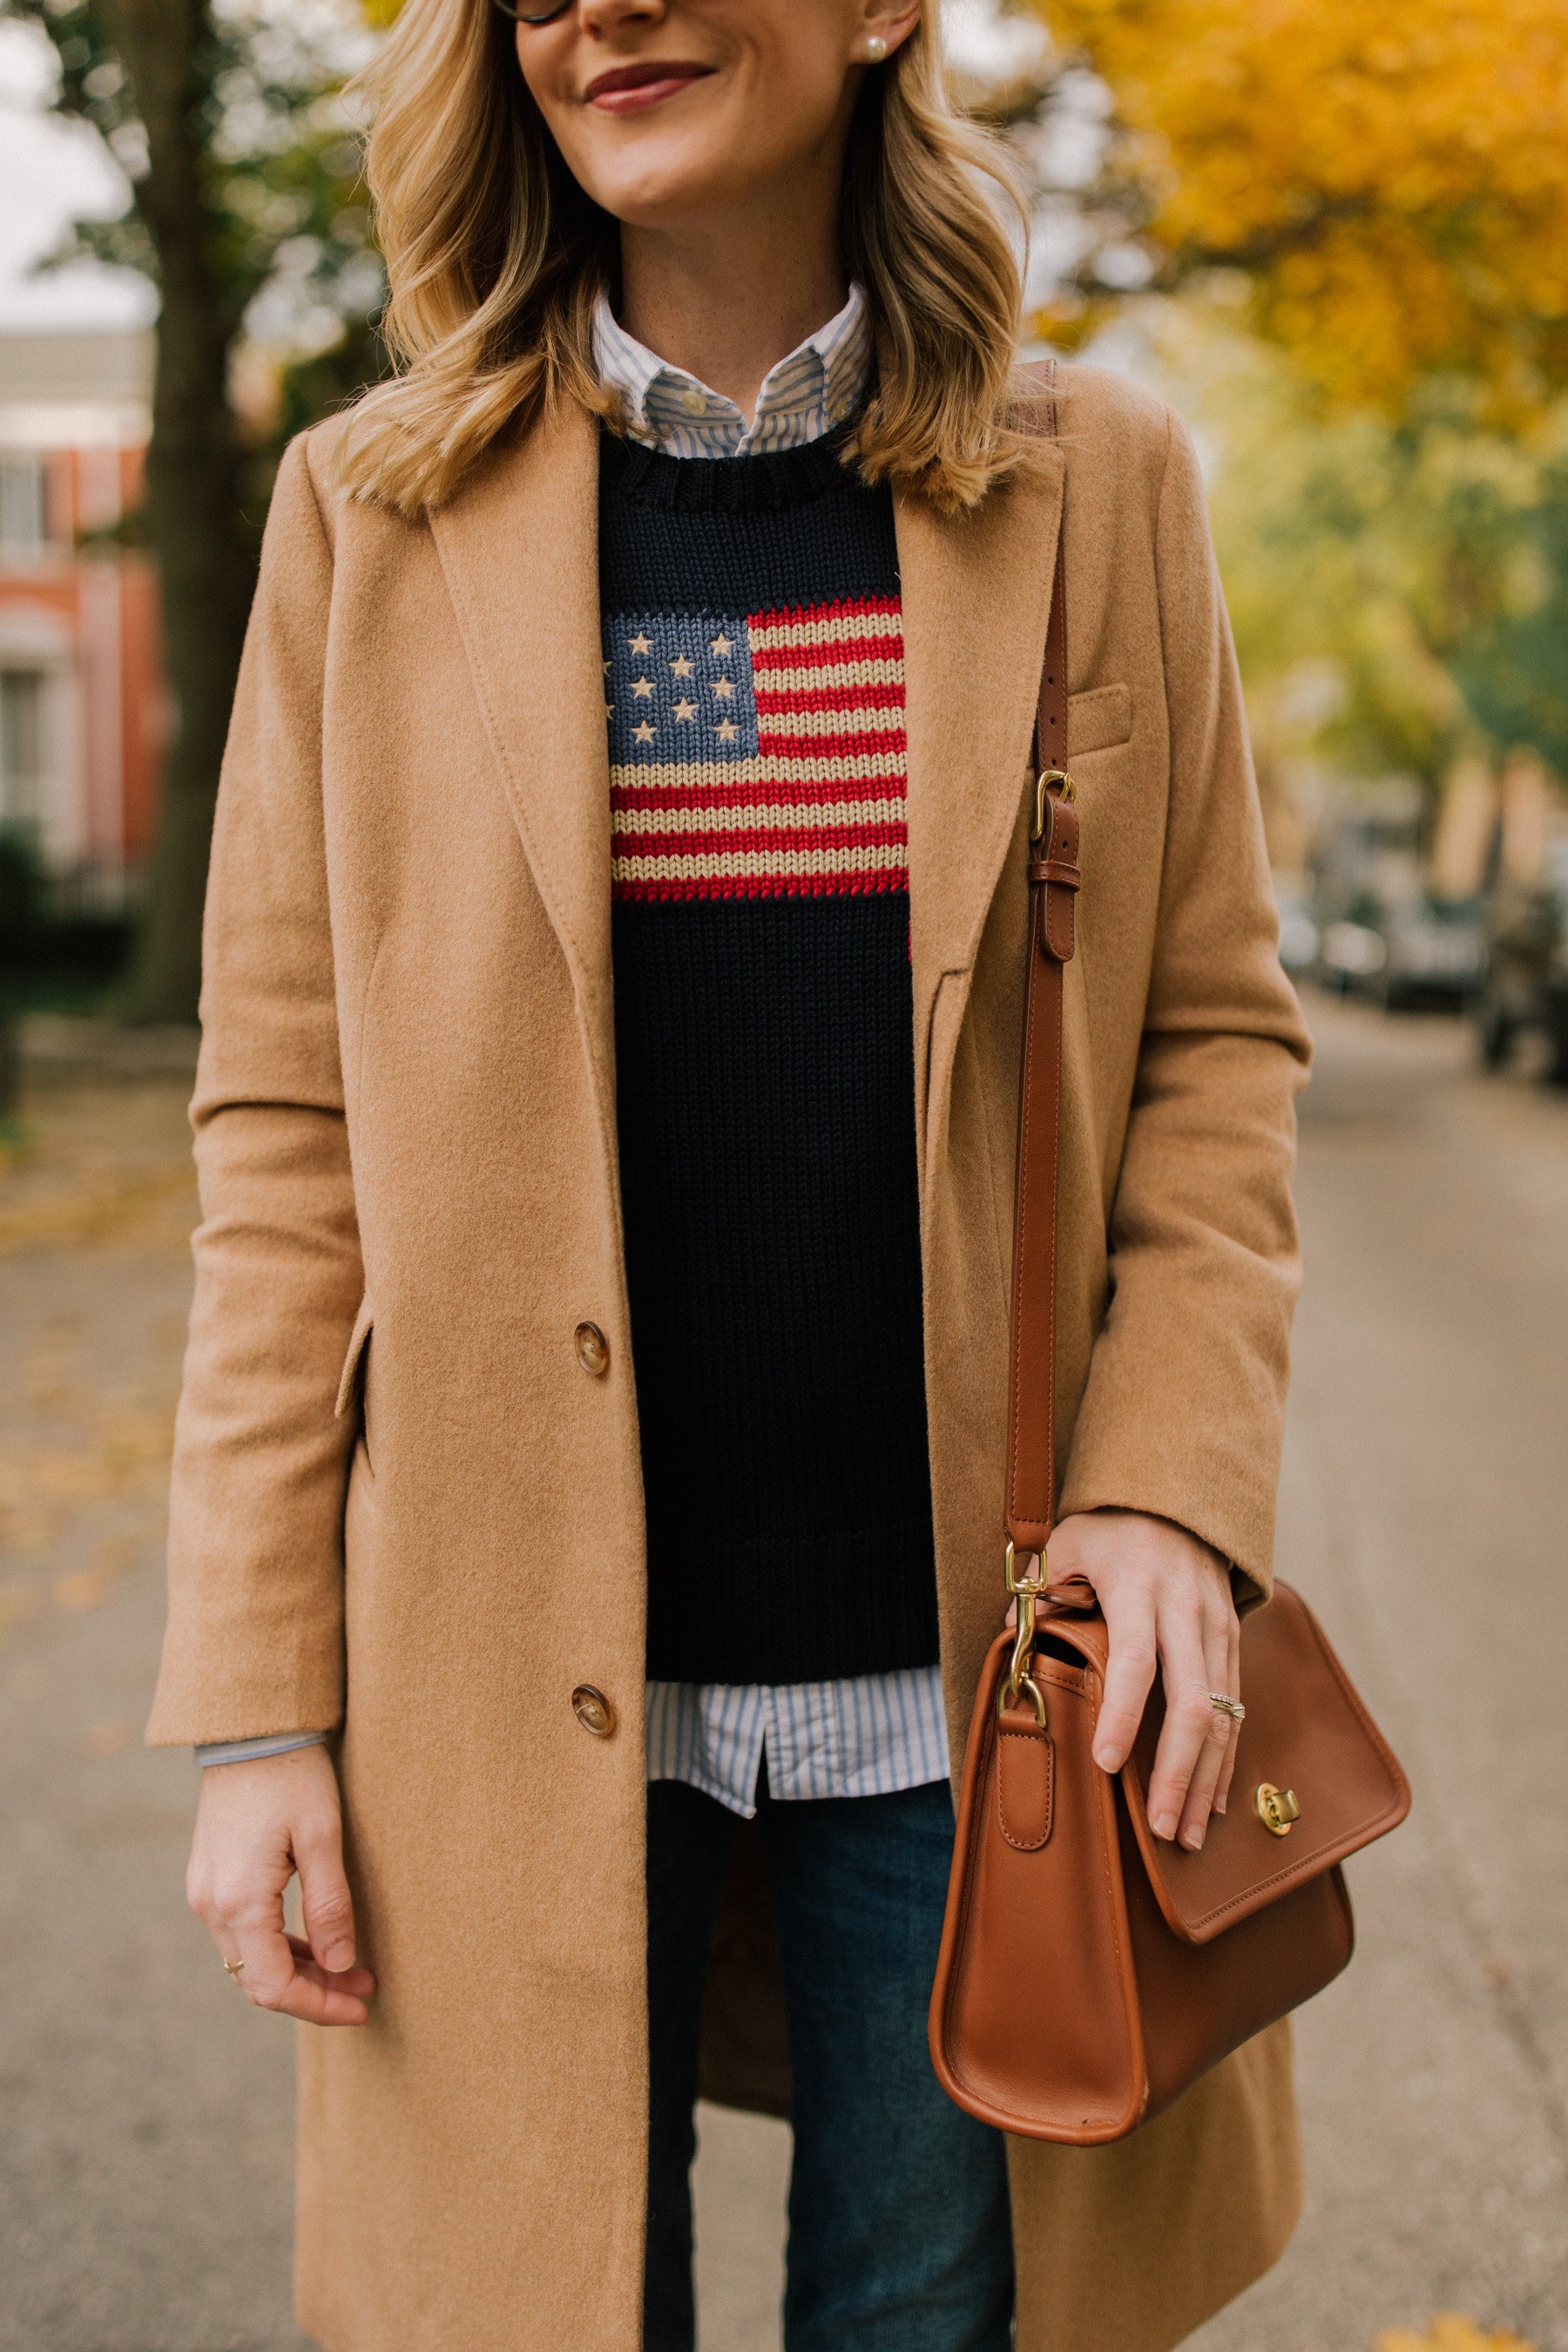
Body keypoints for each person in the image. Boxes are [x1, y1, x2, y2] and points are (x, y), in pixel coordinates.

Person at [150, 3, 1313, 2348]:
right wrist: (262, 1704)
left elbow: (1210, 1043)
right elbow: (285, 1142)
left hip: (973, 1698)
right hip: (493, 1696)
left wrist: (1171, 1490)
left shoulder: (1101, 480)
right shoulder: (363, 522)